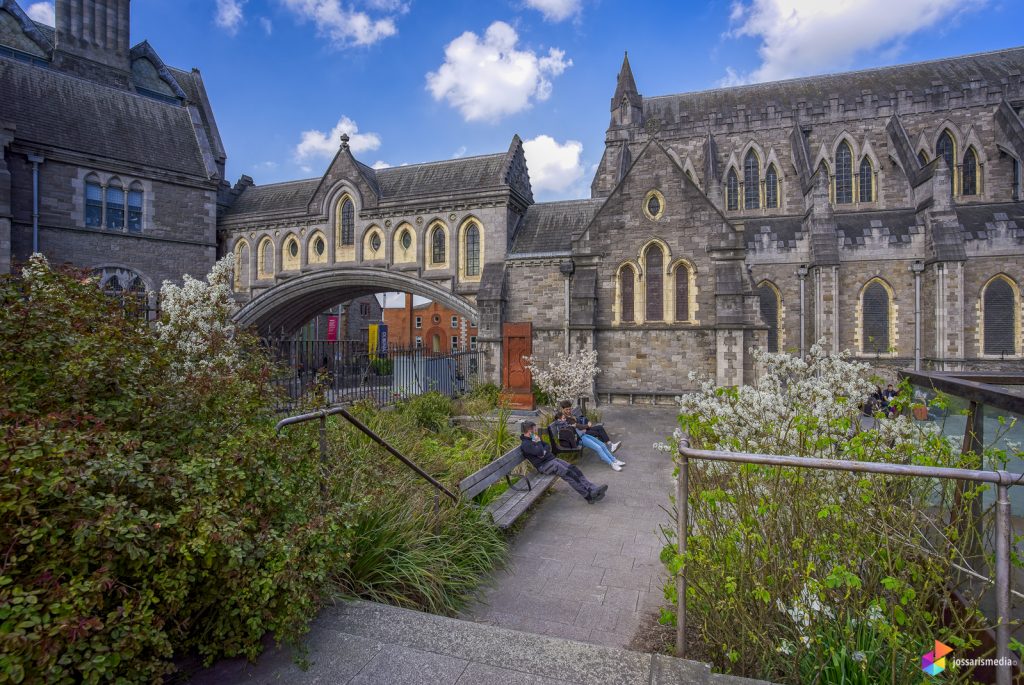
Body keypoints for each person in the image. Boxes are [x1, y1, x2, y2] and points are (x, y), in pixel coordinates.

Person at [520, 421, 607, 503]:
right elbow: (539, 452)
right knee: (569, 474)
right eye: (534, 429)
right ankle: (588, 495)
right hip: (544, 465)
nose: (536, 431)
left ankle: (593, 488)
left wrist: (543, 451)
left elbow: (547, 446)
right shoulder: (526, 444)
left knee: (574, 469)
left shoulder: (533, 439)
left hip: (551, 460)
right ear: (529, 431)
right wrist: (539, 444)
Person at [555, 415, 626, 472]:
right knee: (598, 448)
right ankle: (612, 464)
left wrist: (574, 421)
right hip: (581, 439)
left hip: (584, 435)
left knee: (602, 445)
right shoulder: (563, 425)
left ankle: (614, 460)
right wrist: (585, 426)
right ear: (559, 420)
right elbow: (578, 426)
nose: (565, 419)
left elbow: (577, 425)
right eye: (563, 418)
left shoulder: (567, 422)